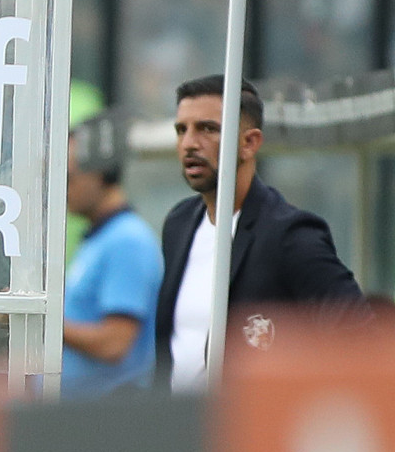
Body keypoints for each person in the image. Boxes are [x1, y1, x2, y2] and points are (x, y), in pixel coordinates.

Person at [155, 75, 362, 390]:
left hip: (253, 433)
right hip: (178, 433)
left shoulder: (290, 234)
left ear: (250, 143)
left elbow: (359, 336)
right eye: (181, 130)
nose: (189, 144)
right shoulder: (179, 224)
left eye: (208, 129)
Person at [61, 111, 162, 395]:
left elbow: (115, 344)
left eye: (68, 177)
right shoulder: (101, 237)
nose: (61, 187)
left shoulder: (127, 241)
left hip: (107, 422)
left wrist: (43, 322)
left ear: (100, 173)